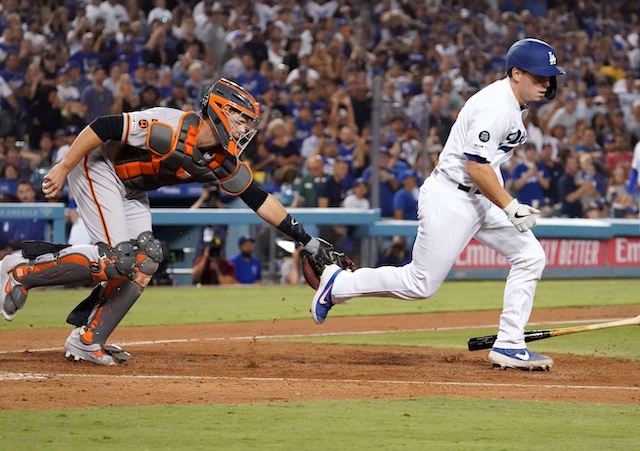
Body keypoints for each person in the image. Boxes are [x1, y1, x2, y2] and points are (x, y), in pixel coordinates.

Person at [0, 78, 334, 366]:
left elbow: (259, 199)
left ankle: (88, 339)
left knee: (145, 259)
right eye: (242, 119)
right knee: (118, 259)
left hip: (131, 190)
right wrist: (62, 166)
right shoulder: (169, 125)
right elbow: (102, 127)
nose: (246, 129)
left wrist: (307, 240)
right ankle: (20, 272)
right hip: (97, 166)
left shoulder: (220, 158)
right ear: (221, 109)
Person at [310, 38, 566, 371]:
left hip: (481, 197)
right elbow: (475, 166)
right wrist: (510, 205)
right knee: (420, 284)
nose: (546, 84)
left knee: (530, 256)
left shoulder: (513, 101)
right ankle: (337, 284)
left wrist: (501, 201)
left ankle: (509, 343)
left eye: (549, 77)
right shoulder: (496, 107)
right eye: (539, 76)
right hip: (452, 198)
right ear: (516, 73)